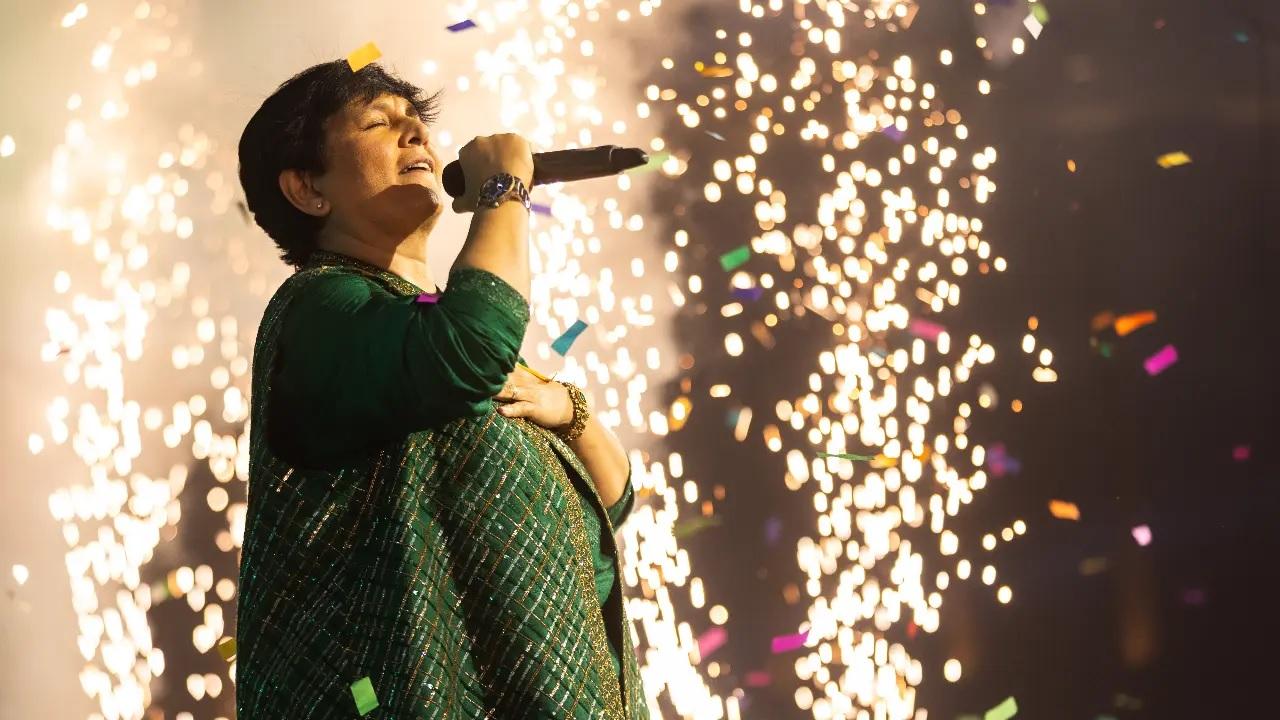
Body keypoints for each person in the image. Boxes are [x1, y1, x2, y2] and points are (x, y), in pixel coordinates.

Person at [234, 59, 648, 719]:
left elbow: (615, 501)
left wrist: (569, 413)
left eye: (417, 125)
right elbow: (471, 347)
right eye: (380, 123)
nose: (415, 138)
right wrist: (505, 189)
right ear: (308, 188)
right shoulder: (322, 310)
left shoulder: (437, 327)